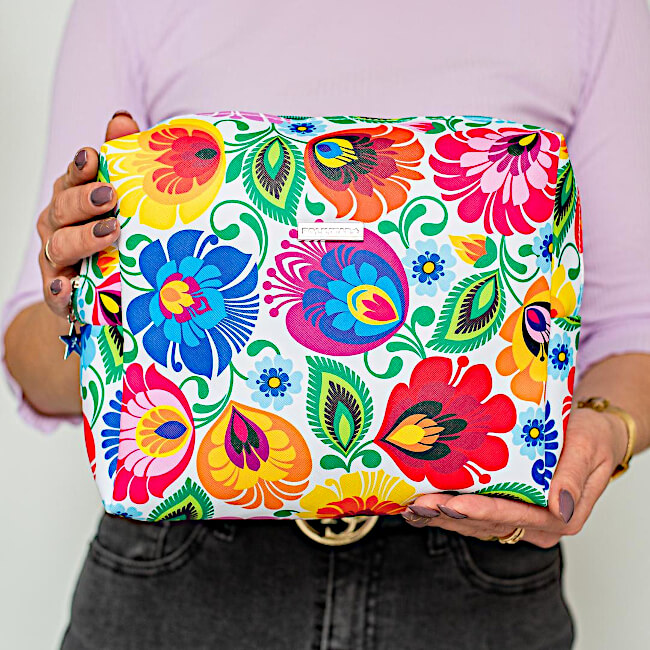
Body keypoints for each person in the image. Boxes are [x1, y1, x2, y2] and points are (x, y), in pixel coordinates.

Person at [2, 1, 650, 648]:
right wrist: (79, 302)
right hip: (178, 571)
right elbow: (33, 364)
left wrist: (606, 430)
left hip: (480, 573)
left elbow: (633, 331)